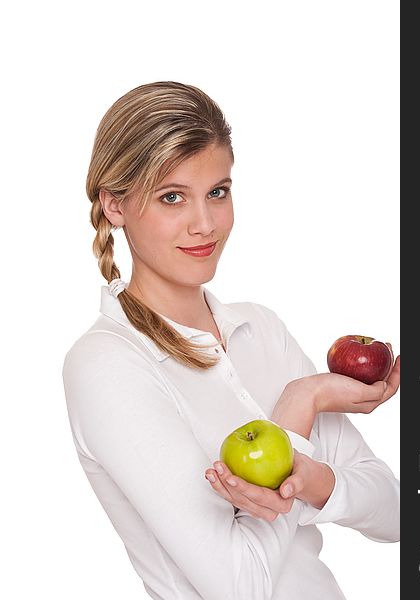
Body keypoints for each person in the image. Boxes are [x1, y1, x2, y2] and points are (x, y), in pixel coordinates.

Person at [62, 81, 400, 600]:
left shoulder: (259, 328)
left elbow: (397, 514)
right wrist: (298, 405)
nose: (206, 224)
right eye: (172, 197)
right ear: (114, 205)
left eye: (218, 191)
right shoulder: (107, 363)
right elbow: (240, 586)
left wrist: (309, 479)